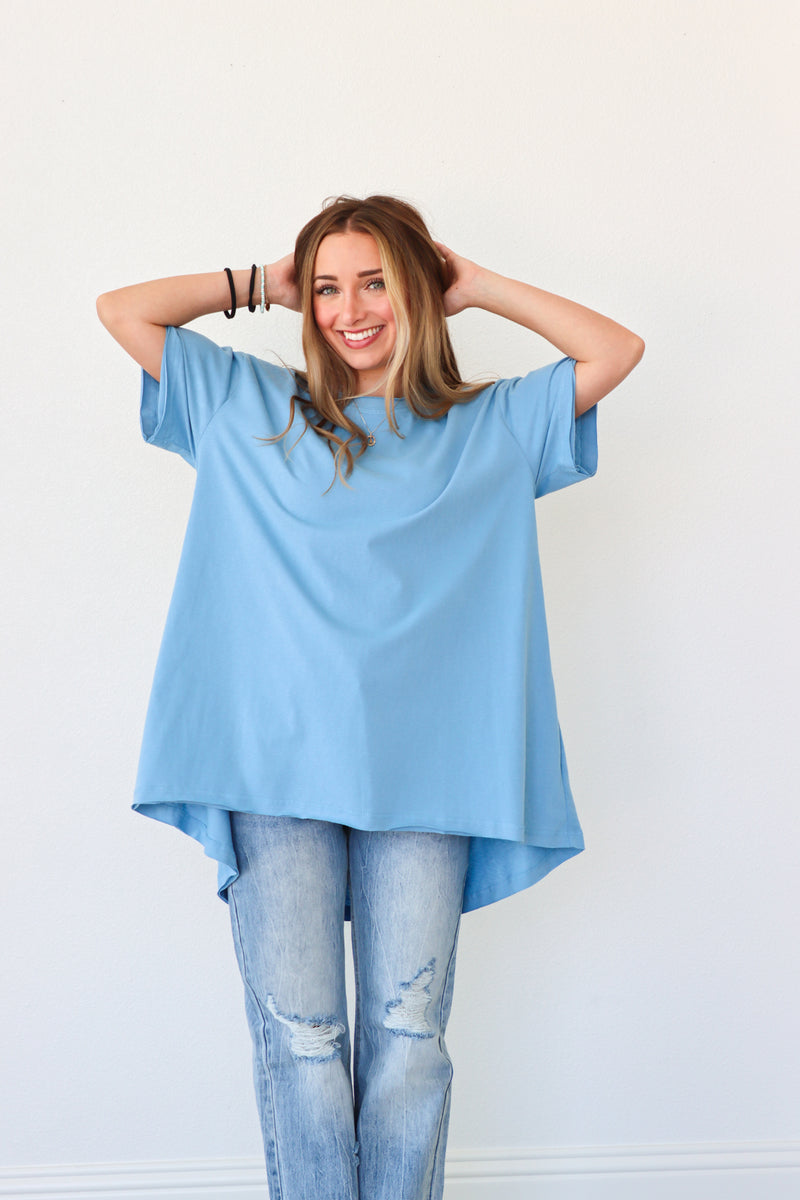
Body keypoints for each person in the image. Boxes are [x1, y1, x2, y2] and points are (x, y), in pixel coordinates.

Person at [96, 194, 644, 1200]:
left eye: (375, 282)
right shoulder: (245, 405)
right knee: (302, 1044)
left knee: (407, 1043)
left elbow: (614, 348)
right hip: (271, 769)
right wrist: (266, 278)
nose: (348, 310)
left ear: (419, 291)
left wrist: (473, 283)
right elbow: (123, 311)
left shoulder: (490, 426)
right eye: (327, 288)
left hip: (429, 779)